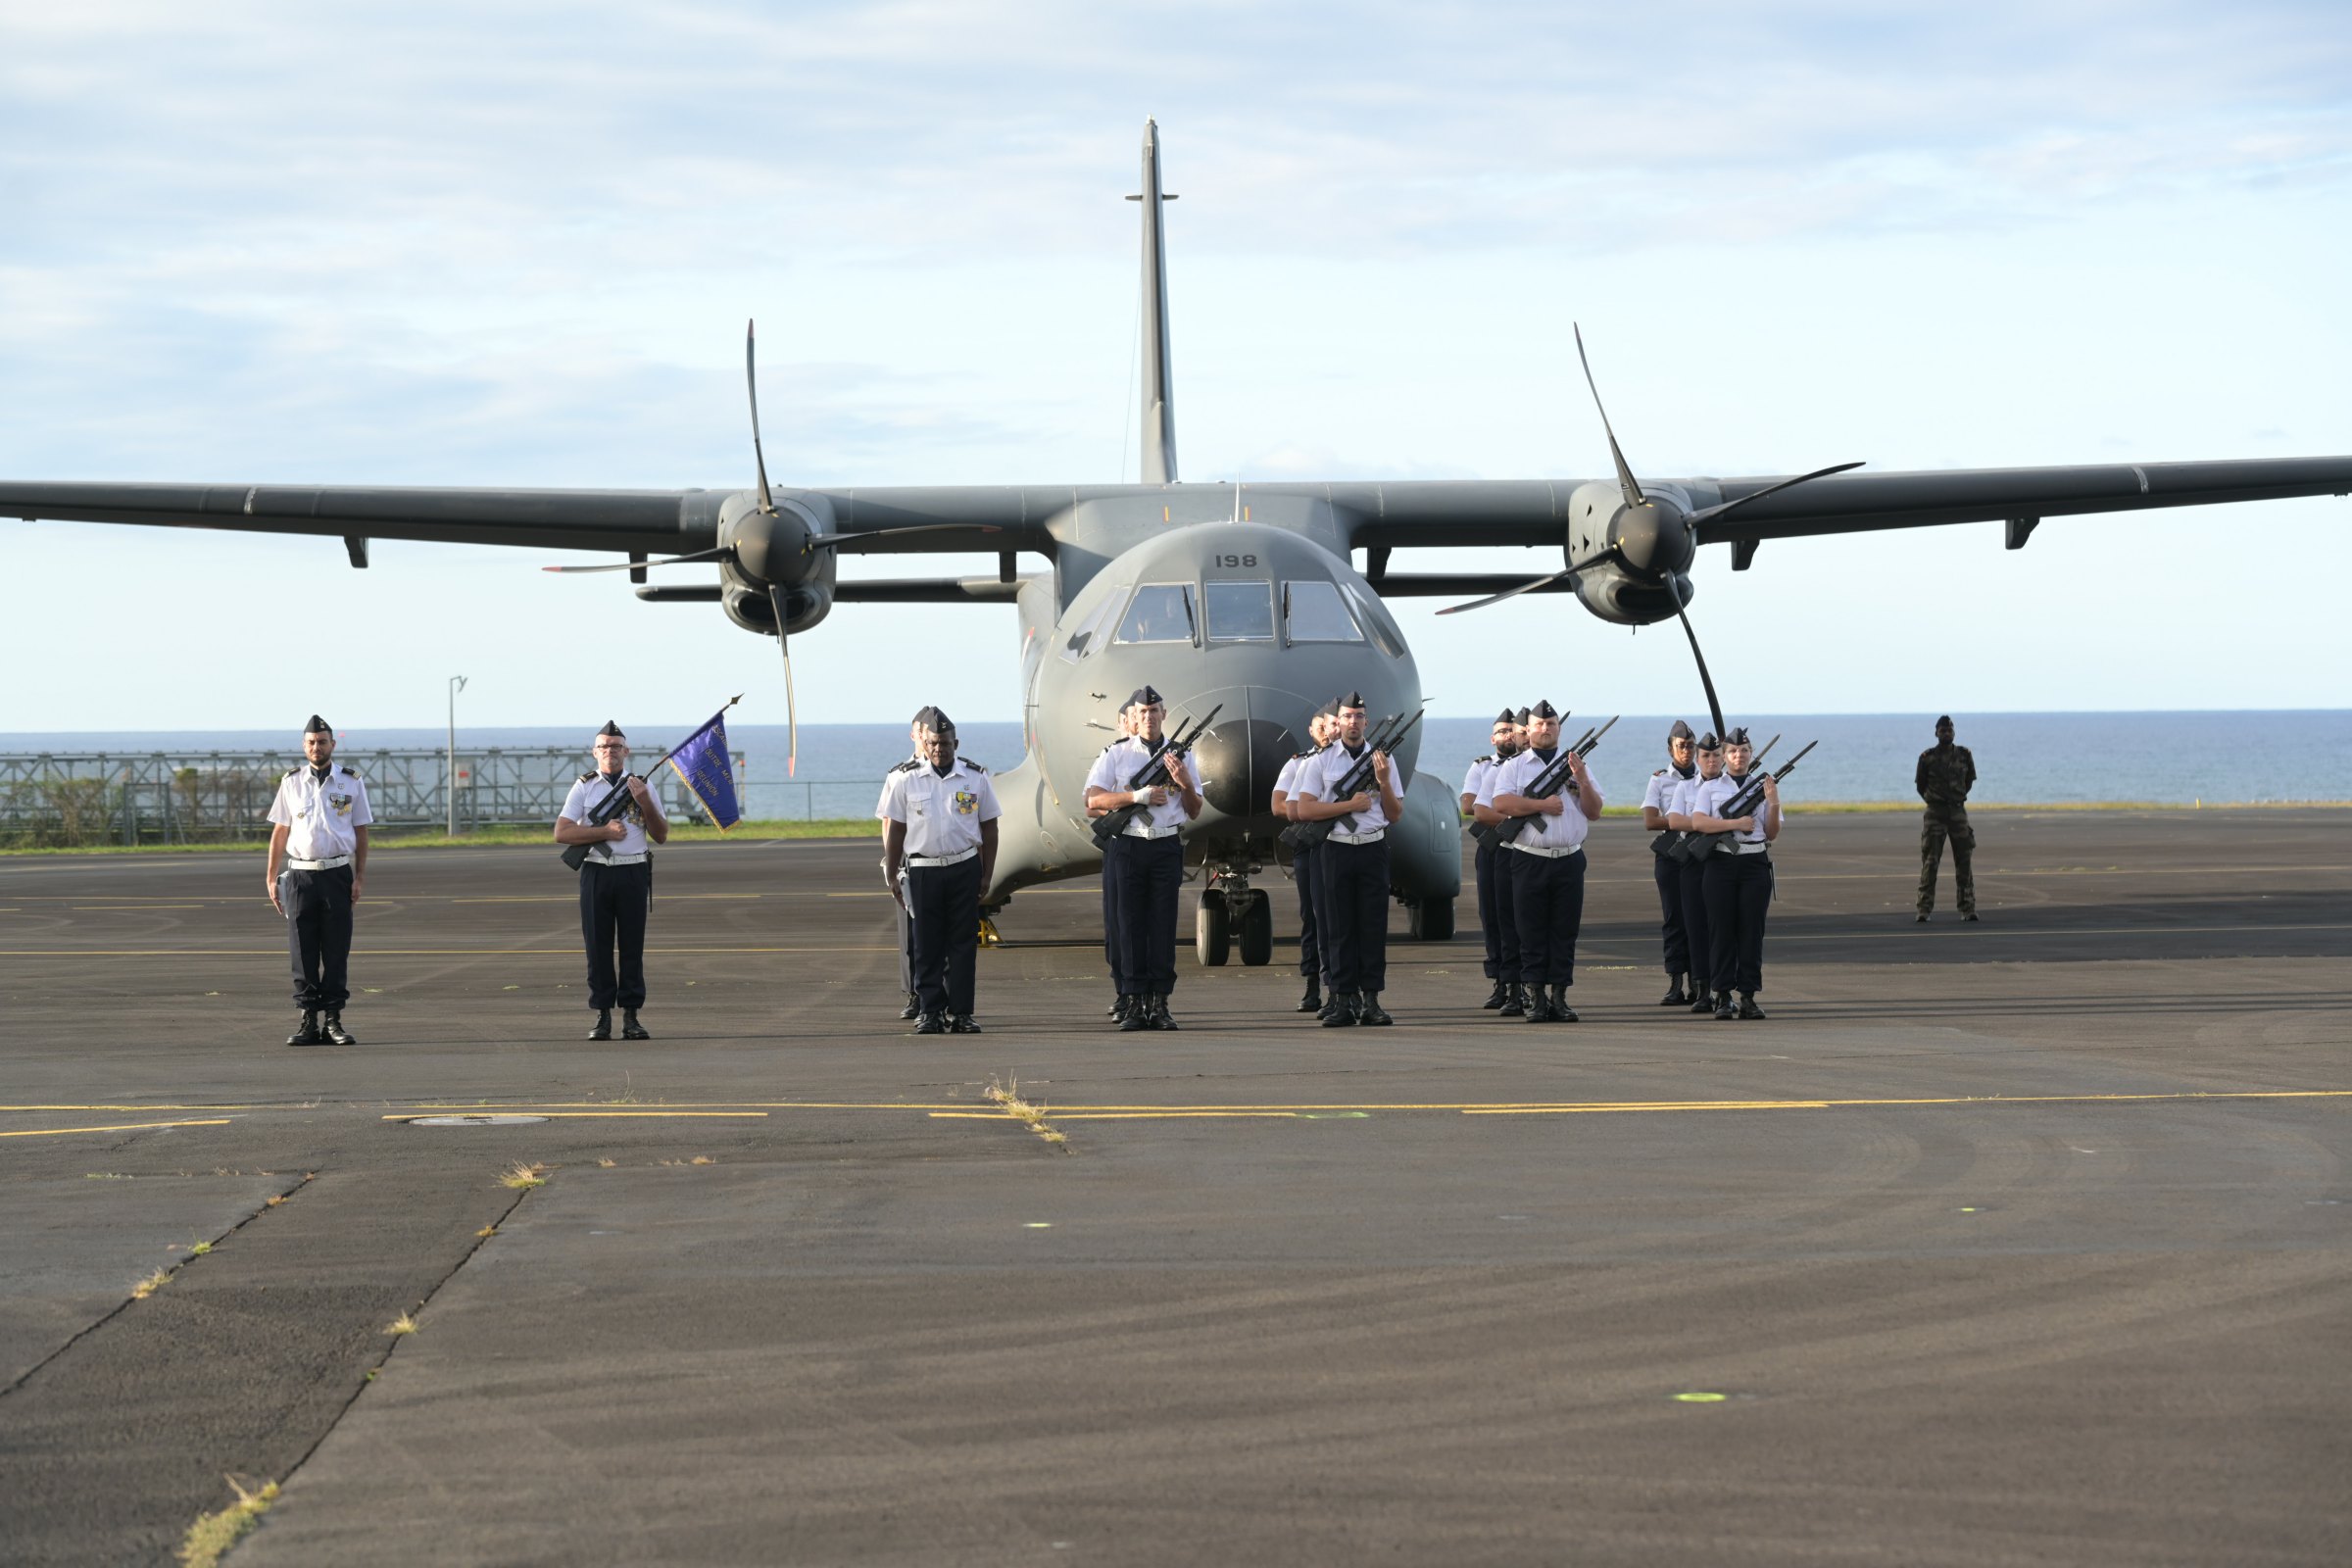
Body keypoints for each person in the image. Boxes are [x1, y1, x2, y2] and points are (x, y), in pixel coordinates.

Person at [1085, 685, 1202, 1032]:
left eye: (1155, 712)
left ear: (1164, 716)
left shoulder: (1182, 757)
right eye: (1142, 713)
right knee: (1130, 924)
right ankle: (1134, 1001)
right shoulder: (1116, 754)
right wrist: (1138, 795)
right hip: (1129, 845)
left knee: (1163, 925)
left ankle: (1160, 1002)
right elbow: (1093, 800)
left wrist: (1184, 782)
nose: (1149, 718)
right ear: (1133, 719)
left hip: (1166, 846)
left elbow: (1195, 811)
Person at [880, 708, 1001, 1035]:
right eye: (933, 743)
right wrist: (891, 873)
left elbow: (989, 827)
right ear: (925, 742)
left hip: (963, 868)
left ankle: (961, 1012)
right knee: (926, 944)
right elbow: (895, 830)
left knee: (962, 945)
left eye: (945, 743)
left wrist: (987, 873)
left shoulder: (975, 777)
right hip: (923, 871)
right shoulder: (906, 778)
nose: (938, 749)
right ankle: (930, 1010)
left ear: (955, 743)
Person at [1485, 699, 1601, 1023]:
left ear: (1558, 729)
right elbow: (1501, 802)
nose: (1545, 729)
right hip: (1529, 860)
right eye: (1539, 725)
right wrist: (1541, 805)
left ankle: (1559, 997)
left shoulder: (1578, 767)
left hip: (1568, 860)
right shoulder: (1515, 766)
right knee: (1530, 930)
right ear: (1529, 730)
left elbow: (1594, 811)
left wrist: (1583, 780)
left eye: (1551, 725)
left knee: (1564, 931)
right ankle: (1535, 996)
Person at [1295, 692, 1404, 1027]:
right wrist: (1347, 806)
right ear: (1337, 722)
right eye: (1347, 717)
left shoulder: (1383, 761)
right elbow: (1304, 809)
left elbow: (1395, 813)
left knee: (1372, 926)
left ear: (1366, 722)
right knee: (1337, 926)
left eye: (1359, 717)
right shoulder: (1320, 761)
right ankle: (1342, 1000)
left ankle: (1371, 1000)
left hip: (1372, 848)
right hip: (1335, 848)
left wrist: (1383, 783)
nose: (1353, 722)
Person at [555, 720, 669, 1041]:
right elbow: (561, 832)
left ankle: (631, 1016)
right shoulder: (584, 786)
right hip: (596, 871)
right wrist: (604, 832)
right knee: (597, 946)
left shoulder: (642, 786)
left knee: (632, 946)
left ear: (626, 751)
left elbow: (660, 835)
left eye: (616, 746)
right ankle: (602, 1015)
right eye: (604, 747)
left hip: (633, 872)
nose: (610, 752)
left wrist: (644, 800)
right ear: (595, 752)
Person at [264, 715, 372, 1047]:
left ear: (332, 745)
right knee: (303, 950)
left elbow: (361, 830)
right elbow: (280, 830)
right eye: (311, 742)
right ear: (304, 746)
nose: (316, 747)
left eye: (322, 742)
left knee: (336, 949)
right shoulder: (291, 782)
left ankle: (334, 1020)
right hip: (300, 877)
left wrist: (360, 877)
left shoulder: (351, 782)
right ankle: (308, 1020)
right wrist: (270, 876)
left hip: (338, 874)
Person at [1690, 726, 1781, 1020]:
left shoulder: (1762, 787)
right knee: (1721, 931)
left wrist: (1774, 800)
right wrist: (1734, 825)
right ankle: (1723, 995)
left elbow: (1772, 832)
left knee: (1751, 932)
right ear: (1724, 756)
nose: (1738, 755)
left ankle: (1749, 997)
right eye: (1732, 751)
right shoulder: (1711, 788)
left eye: (1744, 751)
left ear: (1751, 755)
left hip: (1754, 863)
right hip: (1721, 864)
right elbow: (1699, 823)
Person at [1273, 703, 1338, 1014]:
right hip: (1309, 844)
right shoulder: (1300, 764)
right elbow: (1279, 805)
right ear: (1312, 731)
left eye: (1331, 725)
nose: (1326, 732)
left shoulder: (1351, 763)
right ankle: (1313, 985)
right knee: (1312, 918)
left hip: (1343, 845)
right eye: (1320, 727)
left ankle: (1341, 988)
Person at [1463, 709, 1520, 1009]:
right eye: (1501, 731)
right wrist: (1514, 814)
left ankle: (1520, 982)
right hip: (1491, 847)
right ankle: (1500, 981)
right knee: (1493, 916)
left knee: (1518, 917)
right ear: (1492, 738)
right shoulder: (1483, 767)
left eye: (1511, 730)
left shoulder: (1522, 766)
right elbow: (1469, 805)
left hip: (1522, 847)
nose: (1507, 736)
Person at [1665, 732, 1724, 1015]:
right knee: (1695, 927)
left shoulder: (1736, 788)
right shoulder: (1686, 788)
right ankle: (1702, 990)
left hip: (1726, 860)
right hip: (1694, 860)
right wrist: (1713, 825)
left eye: (1715, 755)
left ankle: (1723, 989)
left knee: (1723, 927)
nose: (1711, 760)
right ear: (1698, 759)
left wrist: (1701, 824)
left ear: (1723, 757)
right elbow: (1675, 820)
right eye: (1705, 756)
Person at [1642, 719, 1699, 1004]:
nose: (1686, 751)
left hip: (1699, 855)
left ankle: (1699, 982)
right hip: (1671, 854)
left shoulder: (1709, 779)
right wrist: (1688, 822)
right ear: (1670, 749)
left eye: (1690, 746)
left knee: (1699, 920)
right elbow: (1651, 820)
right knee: (1674, 919)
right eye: (1681, 746)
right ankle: (1676, 982)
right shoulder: (1659, 779)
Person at [877, 714, 926, 1019]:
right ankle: (914, 995)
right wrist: (891, 864)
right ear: (913, 735)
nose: (926, 737)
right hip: (910, 861)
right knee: (909, 934)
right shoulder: (898, 775)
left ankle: (945, 992)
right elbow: (888, 821)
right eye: (922, 732)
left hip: (939, 858)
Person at [1915, 714, 1979, 922]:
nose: (1947, 733)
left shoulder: (1964, 755)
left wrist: (1956, 799)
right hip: (1935, 814)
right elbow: (1920, 786)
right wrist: (1936, 801)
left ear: (1954, 732)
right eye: (1943, 730)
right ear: (1936, 733)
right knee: (1930, 862)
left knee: (1964, 862)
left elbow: (1969, 781)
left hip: (1958, 813)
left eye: (1950, 730)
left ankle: (1967, 908)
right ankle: (1924, 909)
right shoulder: (1927, 757)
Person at [1097, 700, 1137, 1021]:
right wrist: (1126, 803)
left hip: (1149, 844)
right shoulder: (1113, 755)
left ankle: (1141, 994)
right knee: (1117, 925)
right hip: (1118, 842)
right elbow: (1092, 803)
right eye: (1131, 719)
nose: (1136, 724)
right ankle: (1122, 989)